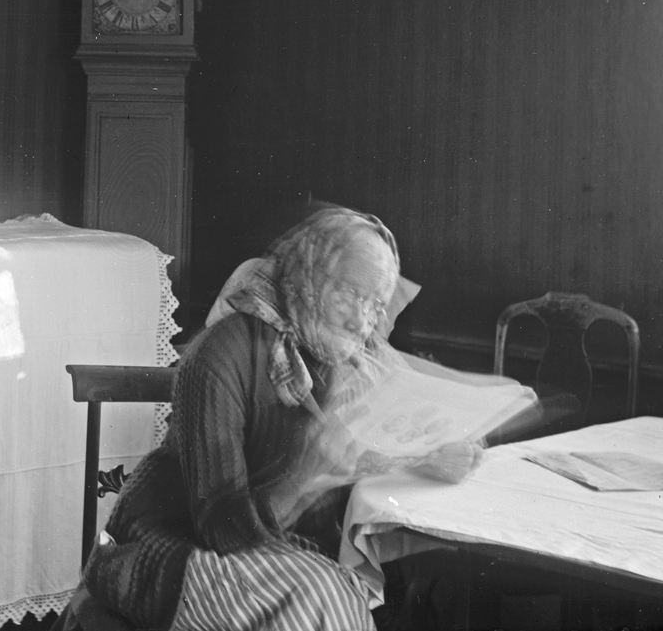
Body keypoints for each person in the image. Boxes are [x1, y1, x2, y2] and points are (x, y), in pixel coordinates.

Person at [59, 205, 482, 631]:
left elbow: (406, 427)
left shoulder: (355, 356)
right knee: (321, 602)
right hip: (175, 549)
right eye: (350, 295)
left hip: (287, 551)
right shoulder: (221, 355)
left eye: (375, 305)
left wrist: (431, 453)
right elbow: (220, 531)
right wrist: (306, 474)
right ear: (308, 278)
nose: (362, 320)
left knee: (345, 596)